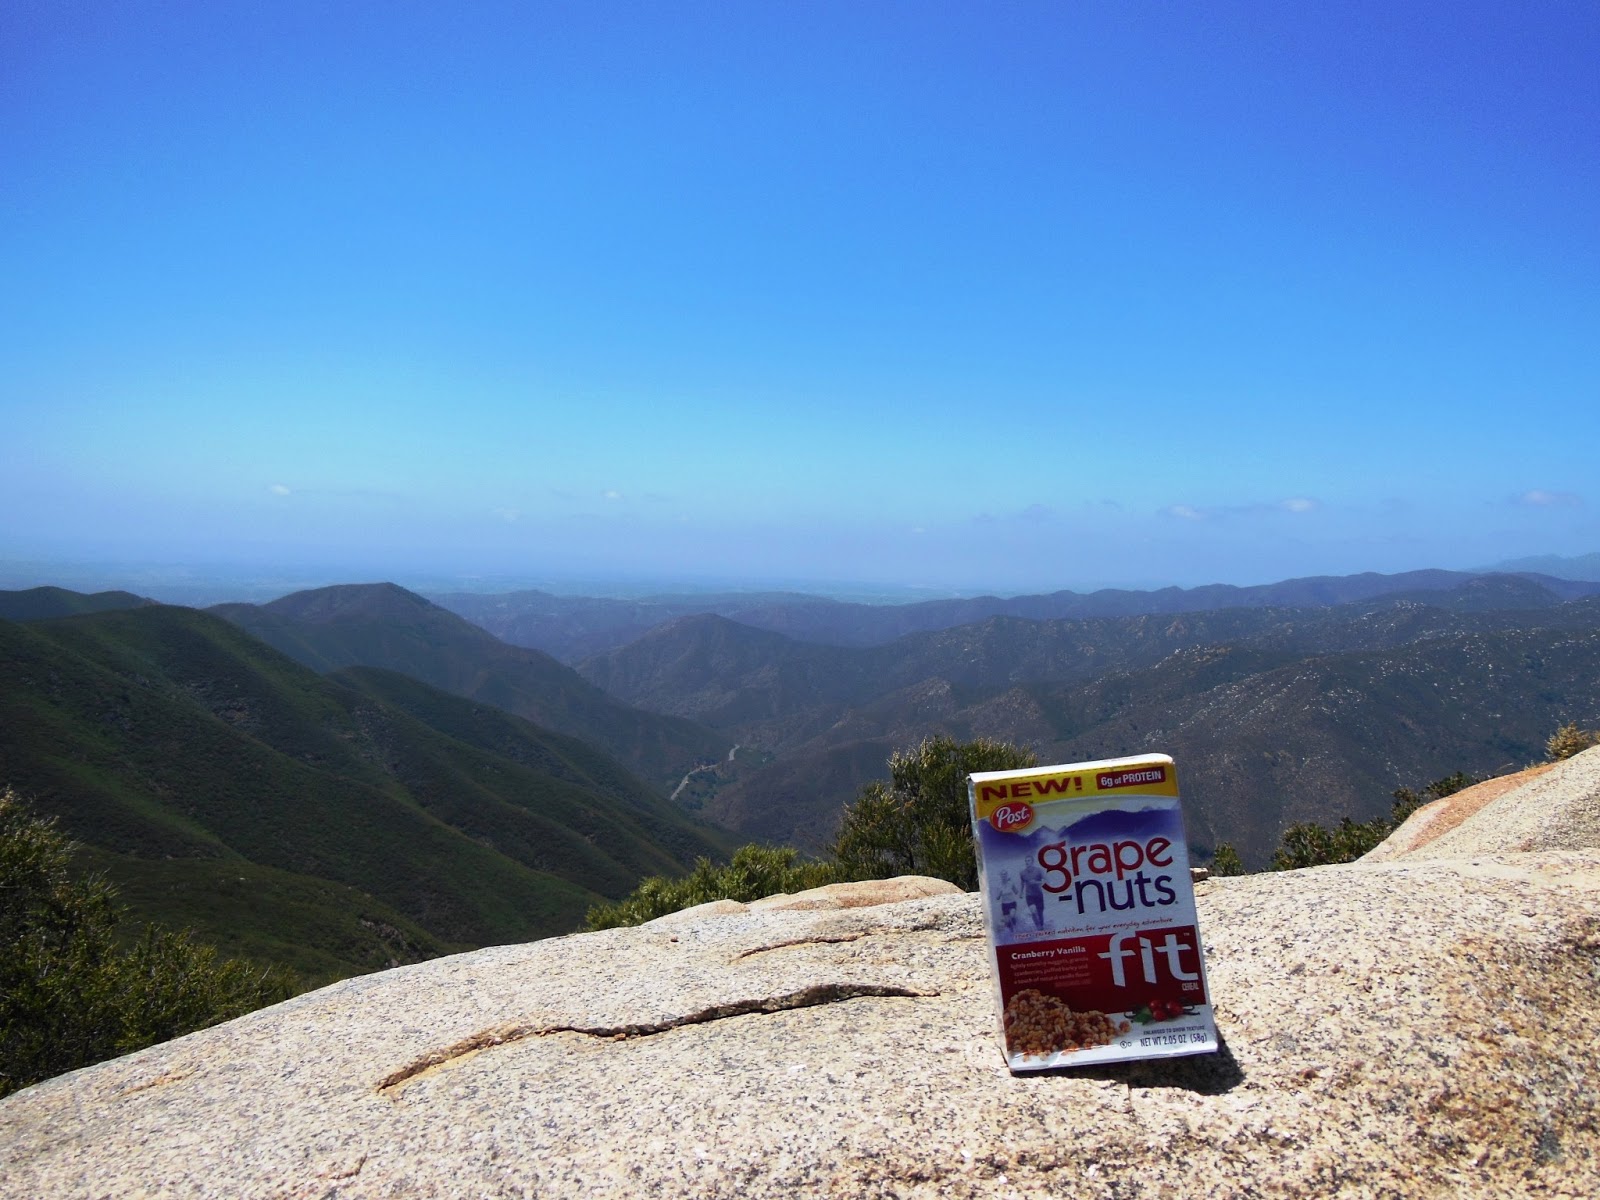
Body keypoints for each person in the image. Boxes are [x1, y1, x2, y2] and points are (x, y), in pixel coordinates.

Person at [1019, 853, 1046, 931]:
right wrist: (1021, 893)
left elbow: (1045, 881)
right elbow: (1022, 883)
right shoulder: (1022, 873)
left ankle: (1041, 925)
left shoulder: (1038, 870)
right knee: (1033, 911)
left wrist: (1036, 882)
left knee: (1040, 912)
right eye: (1026, 861)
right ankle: (1038, 927)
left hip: (1038, 894)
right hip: (1029, 895)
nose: (1027, 862)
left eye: (1029, 860)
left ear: (1032, 861)